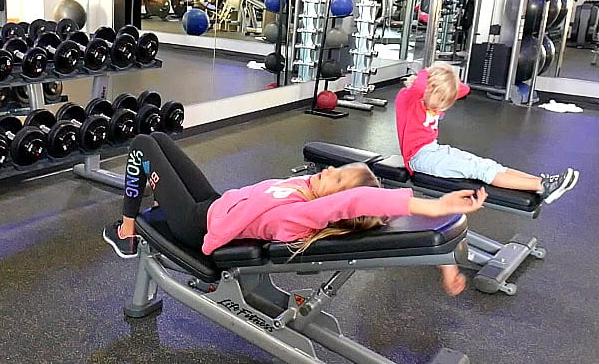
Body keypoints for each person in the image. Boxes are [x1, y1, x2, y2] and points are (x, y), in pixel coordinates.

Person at [103, 132, 488, 296]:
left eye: (336, 179)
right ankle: (150, 210)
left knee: (140, 145)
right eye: (337, 170)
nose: (329, 172)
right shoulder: (303, 189)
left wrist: (436, 206)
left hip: (195, 224)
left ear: (334, 205)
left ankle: (127, 228)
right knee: (159, 140)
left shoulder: (303, 215)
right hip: (214, 205)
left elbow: (356, 204)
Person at [396, 63, 579, 204]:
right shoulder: (408, 99)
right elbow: (420, 85)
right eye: (441, 100)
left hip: (434, 150)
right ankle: (543, 187)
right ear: (429, 88)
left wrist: (446, 79)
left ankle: (540, 181)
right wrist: (430, 75)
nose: (443, 107)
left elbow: (464, 89)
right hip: (418, 159)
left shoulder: (430, 96)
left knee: (487, 163)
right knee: (479, 170)